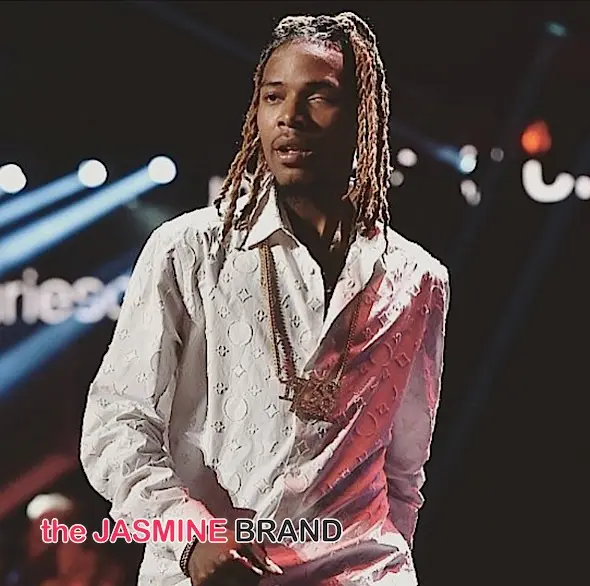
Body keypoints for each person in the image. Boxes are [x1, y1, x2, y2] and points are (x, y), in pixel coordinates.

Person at [80, 11, 450, 586]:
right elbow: (117, 424)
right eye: (274, 96)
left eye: (318, 97)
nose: (290, 117)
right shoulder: (191, 250)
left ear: (362, 117)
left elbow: (404, 470)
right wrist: (190, 538)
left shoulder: (417, 278)